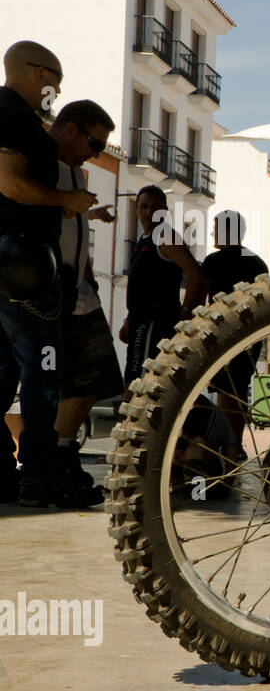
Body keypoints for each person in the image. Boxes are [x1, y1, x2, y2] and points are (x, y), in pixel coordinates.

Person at [0, 41, 97, 506]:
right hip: (17, 263)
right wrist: (64, 200)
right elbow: (11, 183)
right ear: (38, 75)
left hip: (9, 262)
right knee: (44, 368)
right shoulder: (14, 115)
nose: (55, 94)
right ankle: (39, 474)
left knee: (3, 371)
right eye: (54, 84)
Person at [47, 100, 122, 500]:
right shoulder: (42, 161)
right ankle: (53, 460)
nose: (95, 153)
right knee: (57, 378)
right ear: (72, 128)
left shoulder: (74, 168)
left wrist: (88, 218)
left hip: (79, 292)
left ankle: (59, 454)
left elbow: (65, 218)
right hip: (50, 292)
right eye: (94, 143)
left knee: (96, 375)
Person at [120, 184, 205, 390]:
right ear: (137, 209)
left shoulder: (165, 236)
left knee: (141, 387)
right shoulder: (143, 240)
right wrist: (129, 320)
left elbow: (195, 272)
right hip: (139, 323)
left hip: (155, 325)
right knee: (132, 385)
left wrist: (186, 310)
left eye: (156, 207)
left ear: (165, 211)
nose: (149, 212)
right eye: (144, 206)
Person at [202, 210, 267, 452]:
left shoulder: (214, 261)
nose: (212, 233)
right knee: (239, 389)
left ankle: (228, 445)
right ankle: (236, 443)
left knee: (225, 390)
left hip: (224, 332)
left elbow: (202, 296)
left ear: (227, 231)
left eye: (216, 228)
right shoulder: (257, 261)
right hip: (250, 334)